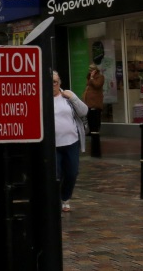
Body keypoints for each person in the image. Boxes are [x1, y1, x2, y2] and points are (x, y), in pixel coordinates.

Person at [52, 71, 88, 213]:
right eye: (50, 82)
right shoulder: (42, 97)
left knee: (72, 172)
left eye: (55, 82)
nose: (53, 85)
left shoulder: (67, 96)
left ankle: (65, 197)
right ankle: (55, 200)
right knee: (56, 174)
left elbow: (84, 111)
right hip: (53, 144)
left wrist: (73, 97)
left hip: (71, 142)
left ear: (59, 82)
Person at [84, 64, 105, 140]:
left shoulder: (100, 77)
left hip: (95, 101)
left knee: (95, 116)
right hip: (89, 101)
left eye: (91, 70)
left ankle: (95, 131)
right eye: (89, 70)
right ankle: (91, 130)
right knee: (89, 116)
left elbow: (97, 85)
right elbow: (88, 85)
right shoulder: (89, 77)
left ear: (95, 70)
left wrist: (92, 78)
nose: (90, 72)